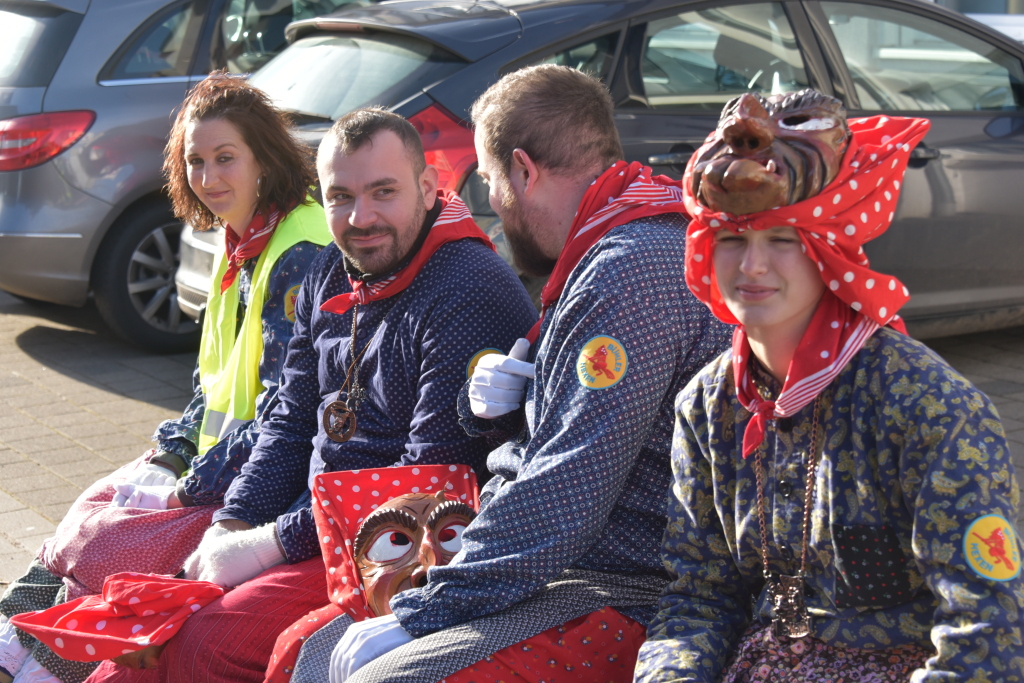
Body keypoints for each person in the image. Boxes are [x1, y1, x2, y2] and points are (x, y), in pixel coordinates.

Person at [82, 107, 538, 683]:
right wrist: (237, 521)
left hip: (398, 551)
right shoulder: (331, 268)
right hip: (313, 522)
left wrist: (271, 543)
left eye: (383, 192)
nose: (360, 217)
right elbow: (291, 420)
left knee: (206, 641)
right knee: (134, 641)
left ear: (427, 188)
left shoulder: (466, 289)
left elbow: (427, 478)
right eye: (340, 197)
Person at [320, 65, 732, 683]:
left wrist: (428, 609)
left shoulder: (625, 274)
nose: (492, 206)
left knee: (381, 676)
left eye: (487, 182)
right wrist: (506, 405)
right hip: (576, 561)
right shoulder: (619, 240)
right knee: (317, 648)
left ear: (523, 170)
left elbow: (568, 491)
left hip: (625, 586)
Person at [633, 90, 1023, 683]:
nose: (751, 266)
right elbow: (699, 598)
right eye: (733, 239)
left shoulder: (928, 406)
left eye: (782, 240)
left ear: (828, 253)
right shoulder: (708, 406)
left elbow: (987, 630)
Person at [0, 72, 330, 683]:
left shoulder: (298, 252)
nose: (208, 179)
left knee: (109, 546)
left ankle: (41, 660)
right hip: (216, 467)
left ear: (265, 157)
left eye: (226, 158)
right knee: (89, 510)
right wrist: (168, 455)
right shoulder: (243, 242)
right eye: (195, 161)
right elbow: (214, 387)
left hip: (262, 490)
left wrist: (183, 485)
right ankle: (15, 641)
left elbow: (284, 416)